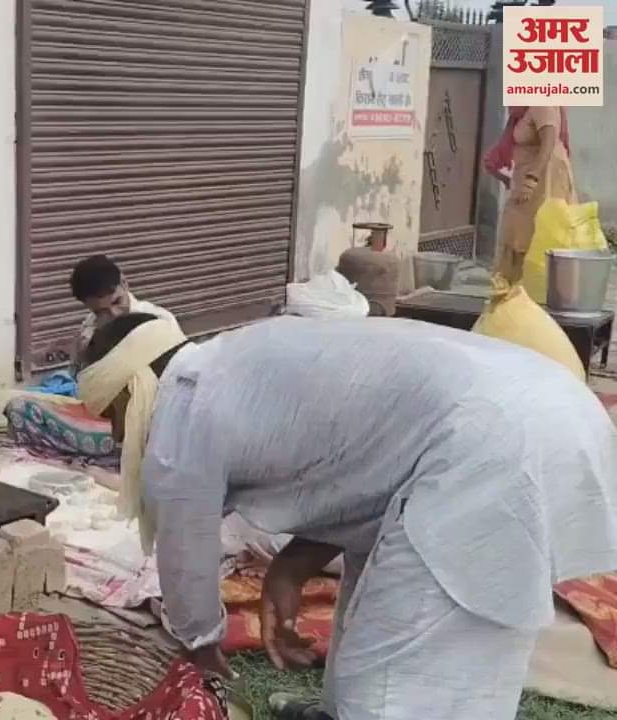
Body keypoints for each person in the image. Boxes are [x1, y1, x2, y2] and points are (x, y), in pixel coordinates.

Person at [77, 313, 617, 719]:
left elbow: (184, 550)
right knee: (429, 633)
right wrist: (292, 566)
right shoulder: (231, 359)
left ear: (135, 388)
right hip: (549, 405)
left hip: (491, 445)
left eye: (114, 416)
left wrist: (201, 648)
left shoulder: (183, 404)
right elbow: (357, 464)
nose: (120, 436)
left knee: (390, 674)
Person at [484, 105, 577, 283]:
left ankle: (535, 289)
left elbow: (548, 144)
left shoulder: (543, 105)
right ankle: (513, 289)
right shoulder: (520, 112)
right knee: (516, 231)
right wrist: (504, 176)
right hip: (525, 174)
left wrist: (531, 180)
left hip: (545, 178)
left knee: (533, 233)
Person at [69, 255, 175, 371]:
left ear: (124, 283)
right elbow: (76, 376)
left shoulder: (160, 321)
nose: (114, 314)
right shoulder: (90, 328)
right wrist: (82, 356)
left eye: (116, 302)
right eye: (101, 312)